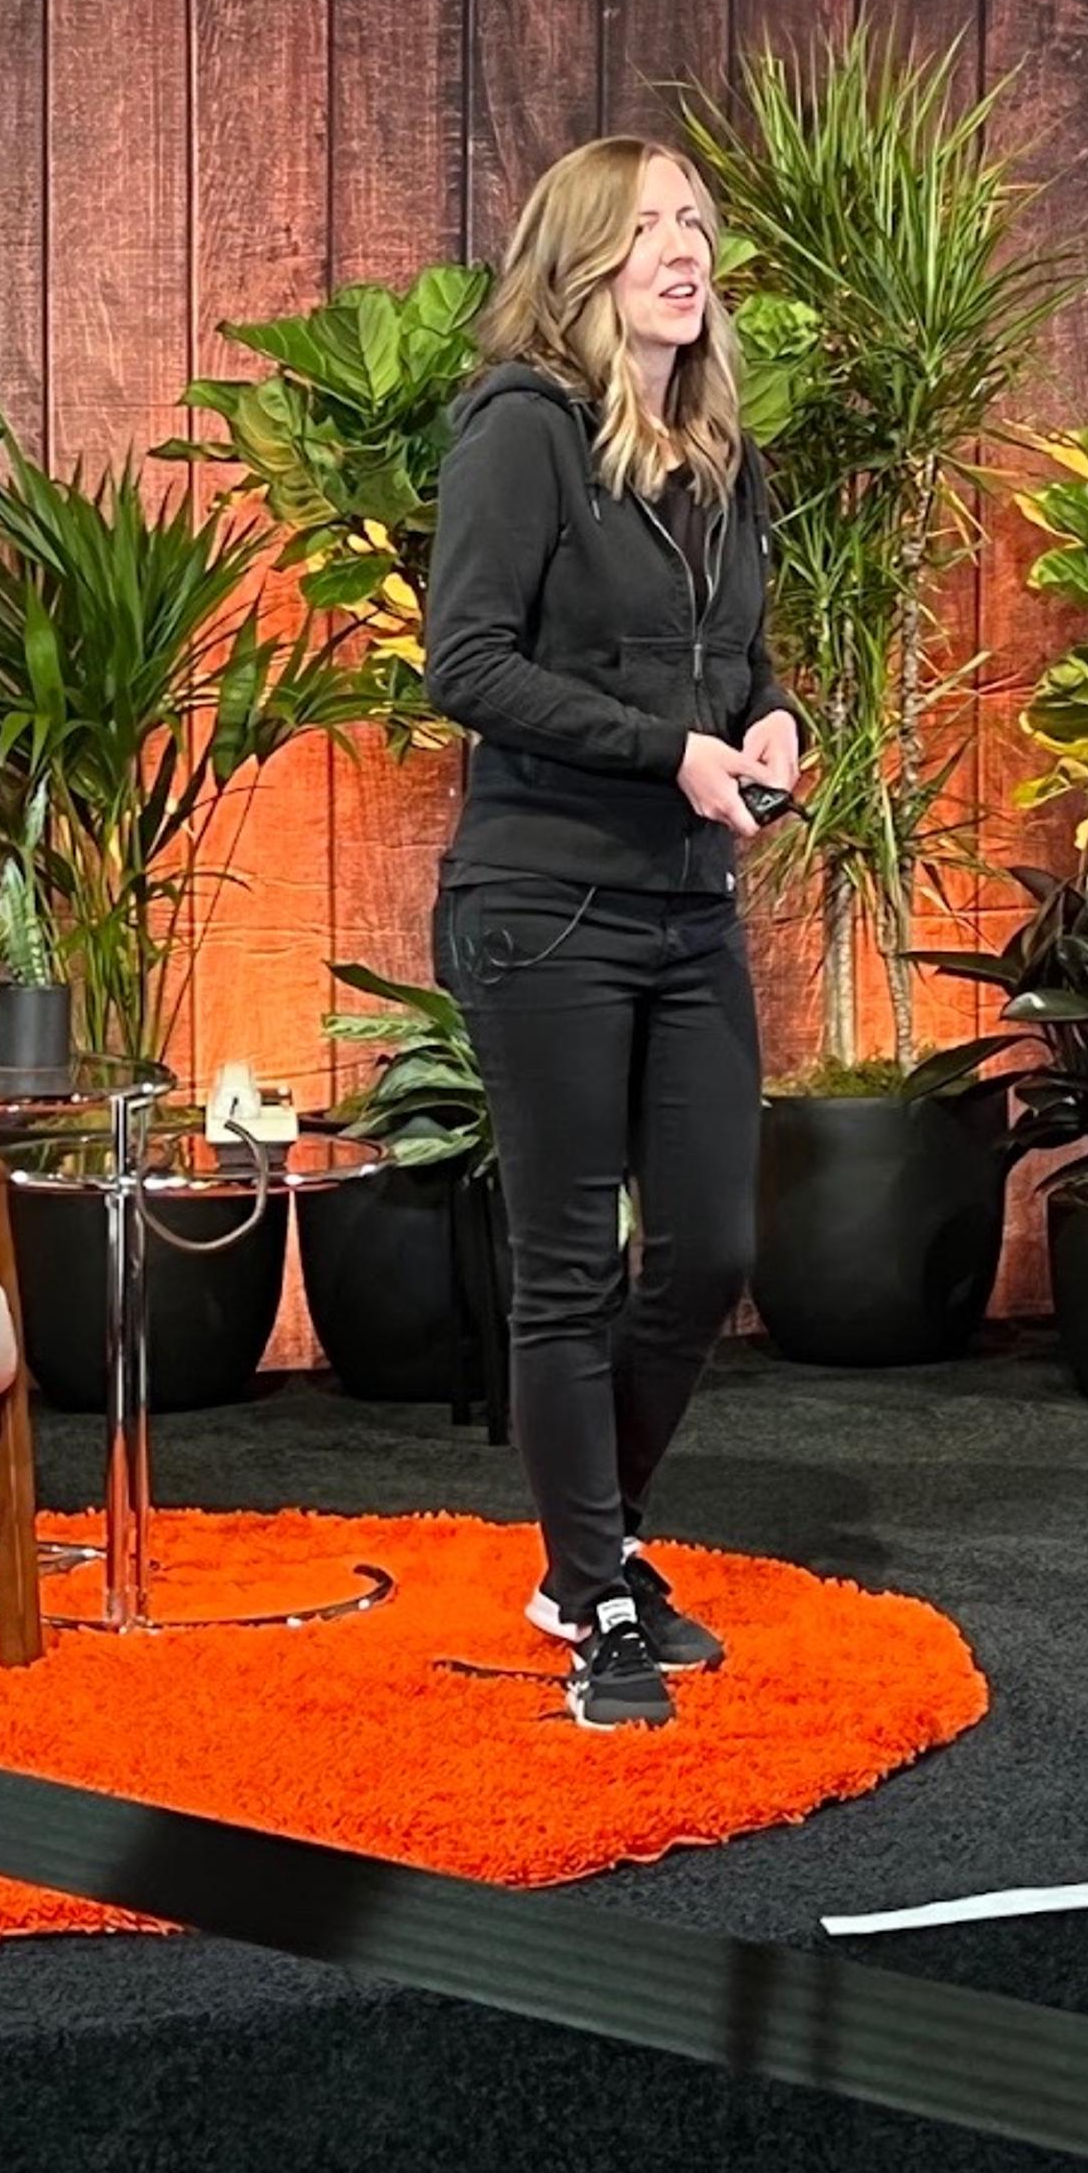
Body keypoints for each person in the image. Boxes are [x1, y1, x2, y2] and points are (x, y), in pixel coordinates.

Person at [421, 135, 802, 1728]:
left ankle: (590, 1546)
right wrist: (670, 753)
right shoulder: (524, 432)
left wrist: (772, 723)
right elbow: (467, 663)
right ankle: (594, 1597)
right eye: (645, 227)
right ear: (579, 261)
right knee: (570, 1266)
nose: (681, 250)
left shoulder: (721, 456)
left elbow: (740, 656)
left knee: (710, 1247)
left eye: (696, 224)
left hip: (685, 908)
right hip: (543, 904)